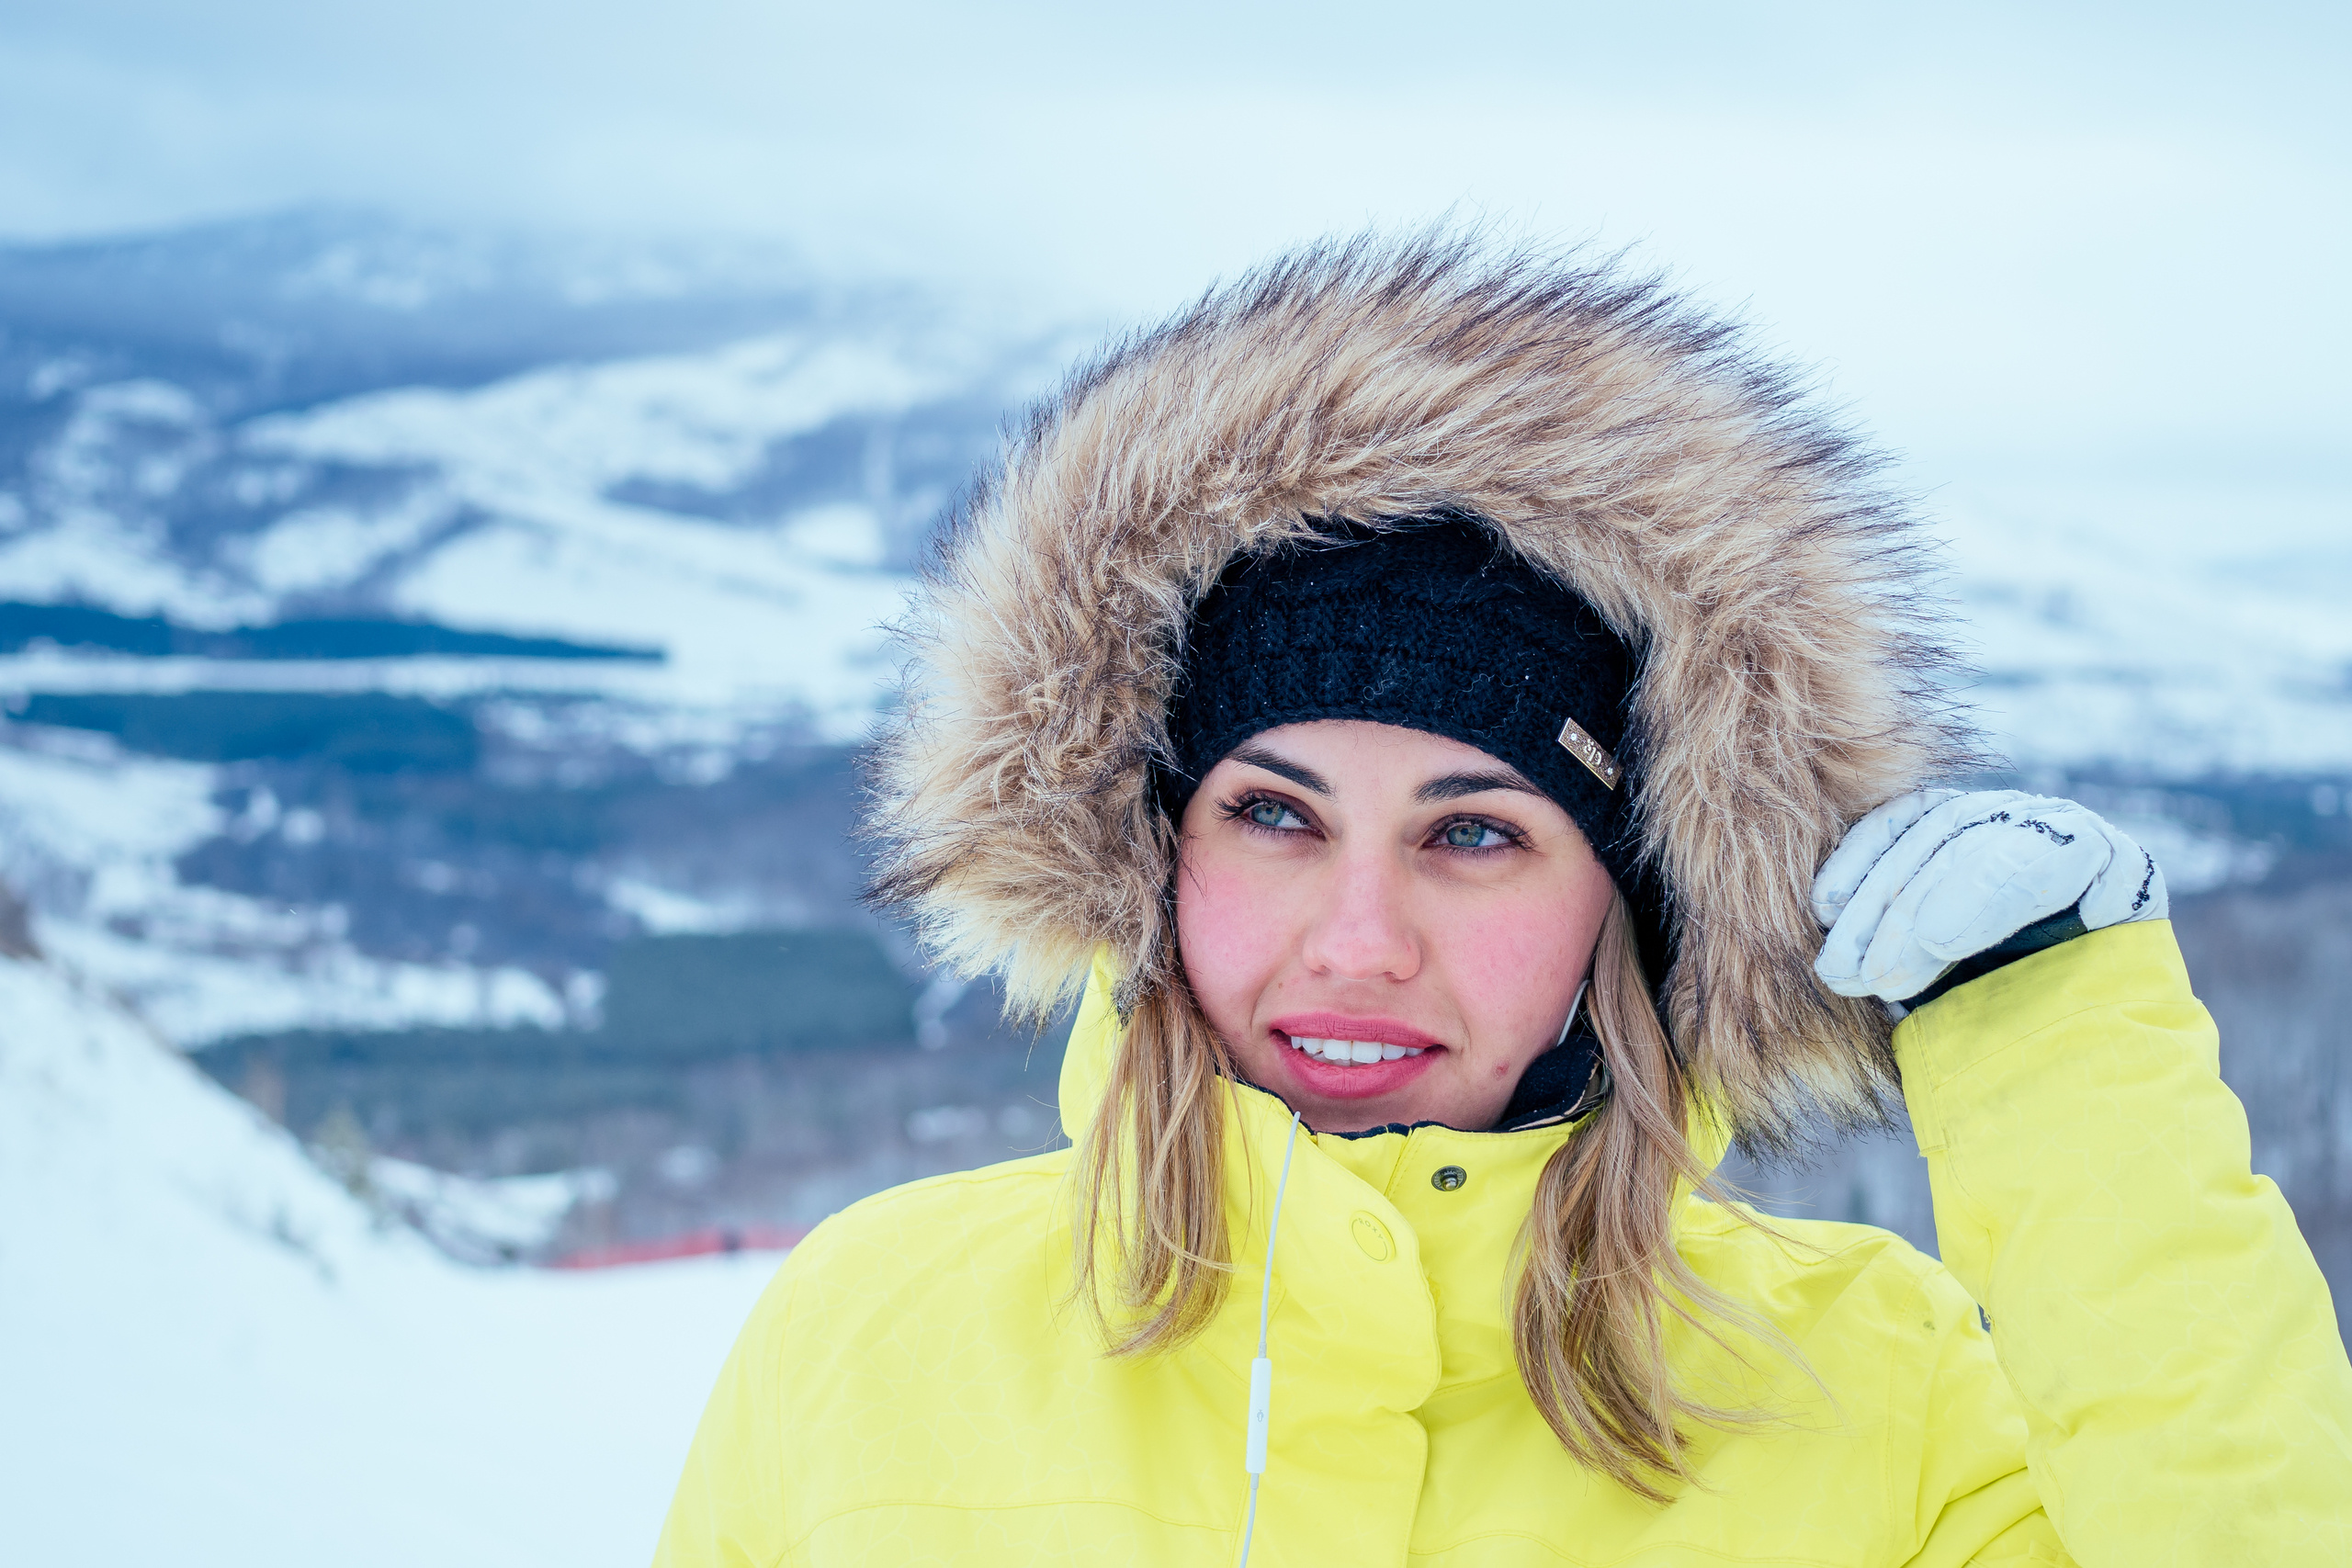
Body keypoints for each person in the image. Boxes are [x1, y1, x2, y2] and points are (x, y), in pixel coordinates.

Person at [654, 238, 2352, 1564]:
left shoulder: (1872, 1395)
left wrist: (2062, 1059)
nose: (1357, 941)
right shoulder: (876, 1332)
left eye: (1475, 833)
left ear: (1629, 902)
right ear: (1147, 854)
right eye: (1272, 814)